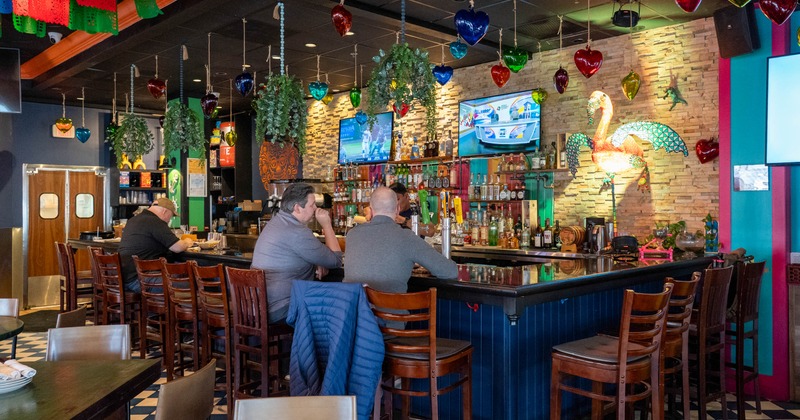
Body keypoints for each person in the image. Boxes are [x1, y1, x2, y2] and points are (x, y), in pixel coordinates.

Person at [251, 182, 343, 322]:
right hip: (281, 309)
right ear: (297, 208)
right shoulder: (297, 232)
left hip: (259, 306)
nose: (315, 209)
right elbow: (336, 260)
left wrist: (314, 264)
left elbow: (291, 257)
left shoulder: (275, 223)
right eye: (312, 205)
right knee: (339, 307)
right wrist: (327, 225)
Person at [344, 186, 457, 293]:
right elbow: (449, 271)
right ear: (397, 209)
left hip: (353, 312)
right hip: (391, 312)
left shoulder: (352, 234)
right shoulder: (407, 237)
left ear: (371, 210)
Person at [119, 197, 192, 293]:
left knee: (179, 274)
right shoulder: (155, 221)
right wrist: (187, 241)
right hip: (140, 280)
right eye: (171, 215)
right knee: (193, 282)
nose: (170, 219)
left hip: (125, 278)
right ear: (165, 211)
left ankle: (164, 306)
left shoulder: (133, 220)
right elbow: (177, 247)